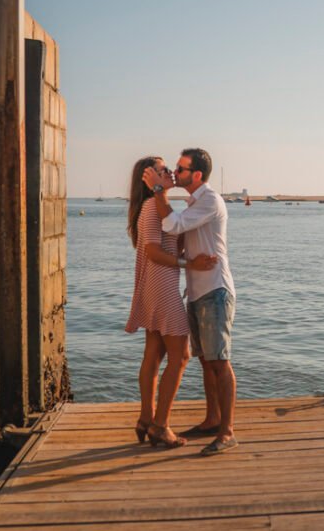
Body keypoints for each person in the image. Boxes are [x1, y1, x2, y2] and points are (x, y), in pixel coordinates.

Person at [142, 148, 238, 456]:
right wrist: (186, 261)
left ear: (197, 175)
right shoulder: (194, 202)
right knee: (207, 361)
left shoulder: (209, 200)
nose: (176, 173)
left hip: (215, 290)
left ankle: (227, 431)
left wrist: (159, 190)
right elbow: (183, 240)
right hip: (197, 292)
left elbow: (171, 225)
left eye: (181, 170)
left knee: (220, 362)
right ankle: (212, 420)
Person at [125, 156, 217, 449]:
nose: (171, 173)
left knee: (154, 354)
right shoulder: (152, 206)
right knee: (181, 356)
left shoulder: (153, 206)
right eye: (164, 170)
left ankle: (145, 419)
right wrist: (189, 263)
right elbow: (153, 251)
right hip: (162, 285)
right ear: (149, 177)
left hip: (155, 285)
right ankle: (160, 425)